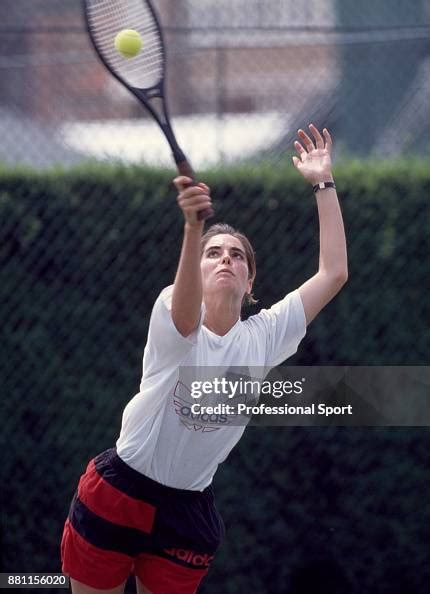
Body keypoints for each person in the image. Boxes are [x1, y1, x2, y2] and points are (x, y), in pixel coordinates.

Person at [61, 124, 347, 594]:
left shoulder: (266, 336)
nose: (225, 260)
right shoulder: (174, 314)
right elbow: (185, 306)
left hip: (188, 511)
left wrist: (323, 183)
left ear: (250, 283)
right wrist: (194, 228)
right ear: (195, 270)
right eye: (213, 254)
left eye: (237, 256)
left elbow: (334, 272)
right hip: (119, 493)